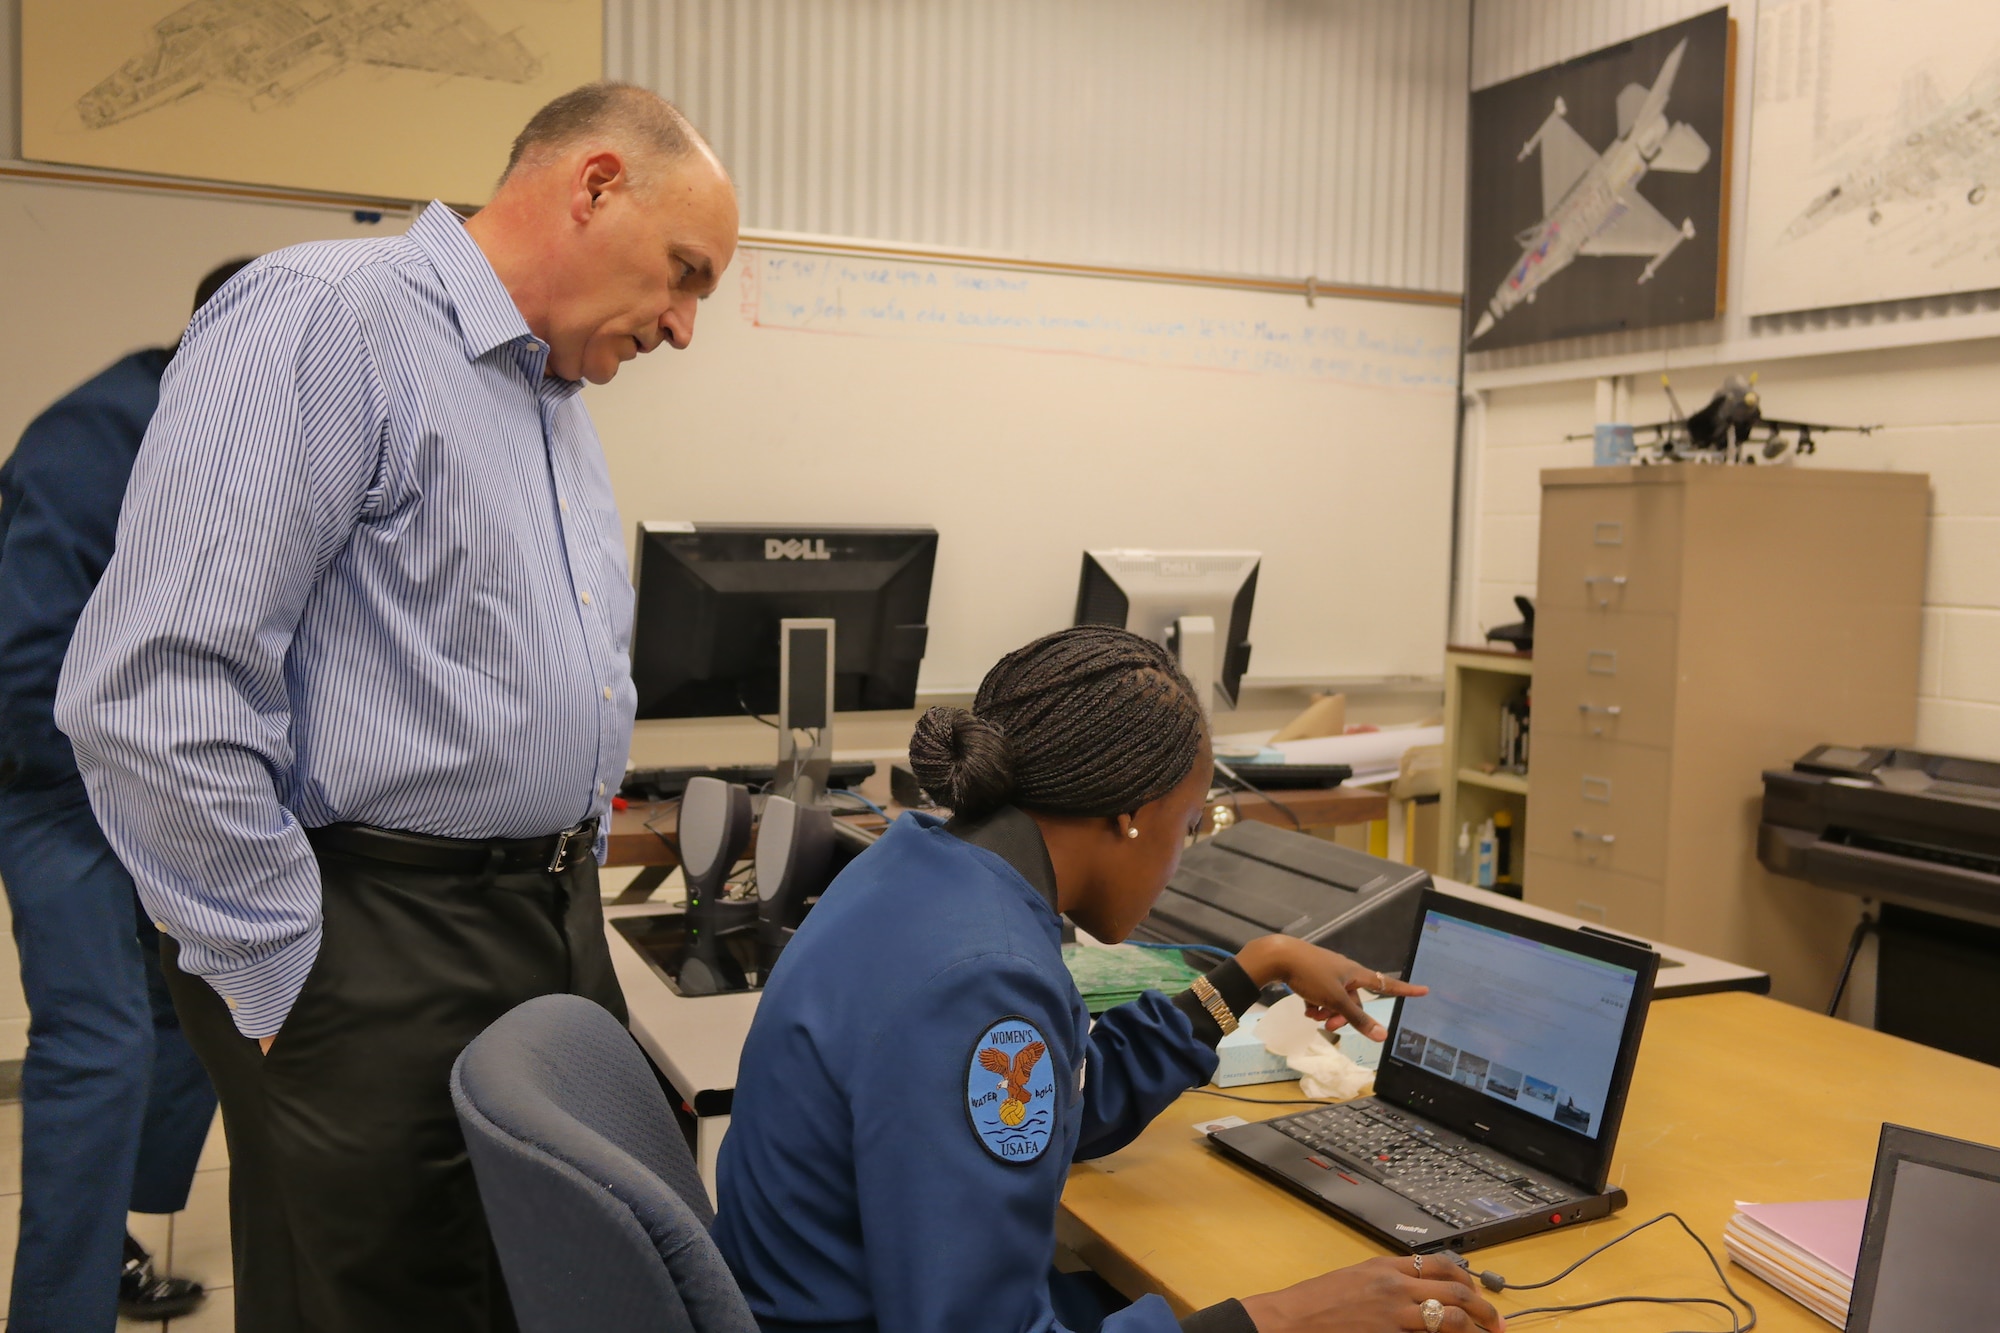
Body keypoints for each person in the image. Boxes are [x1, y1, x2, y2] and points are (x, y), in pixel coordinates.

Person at [54, 84, 739, 1333]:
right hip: (371, 935)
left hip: (538, 914)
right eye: (684, 272)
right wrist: (276, 979)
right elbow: (157, 683)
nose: (687, 326)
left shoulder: (551, 400)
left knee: (509, 1278)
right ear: (594, 186)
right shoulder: (329, 319)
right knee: (378, 1294)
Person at [713, 625, 1506, 1333]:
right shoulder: (982, 982)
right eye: (1191, 824)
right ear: (1132, 812)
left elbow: (1050, 1105)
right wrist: (1280, 1317)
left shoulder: (920, 867)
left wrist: (1250, 970)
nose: (1182, 854)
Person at [0, 259, 252, 1330]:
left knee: (199, 1007)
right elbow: (22, 665)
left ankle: (110, 1244)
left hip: (163, 772)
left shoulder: (232, 433)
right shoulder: (94, 433)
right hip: (52, 778)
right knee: (99, 1043)